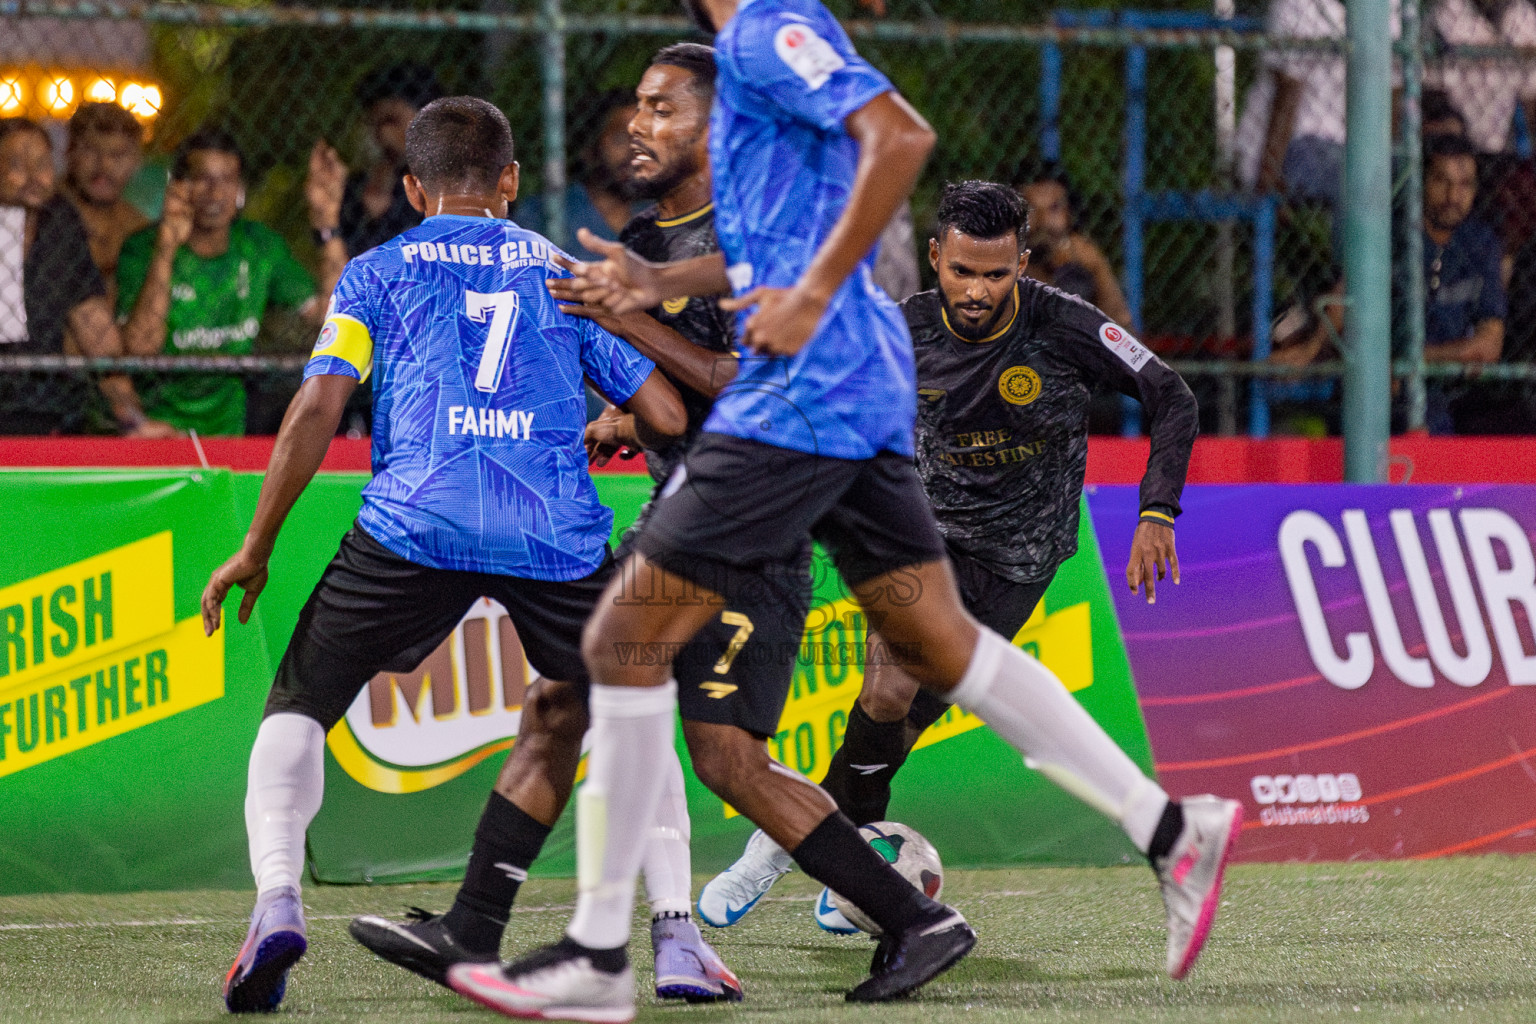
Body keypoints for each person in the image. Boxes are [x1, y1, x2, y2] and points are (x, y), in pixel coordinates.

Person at [447, 2, 1241, 1020]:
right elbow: (787, 236)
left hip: (807, 391)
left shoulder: (766, 29)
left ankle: (602, 955)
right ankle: (1169, 828)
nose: (647, 115)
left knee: (622, 641)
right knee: (941, 642)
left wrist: (815, 291)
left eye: (658, 105)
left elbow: (903, 137)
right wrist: (663, 276)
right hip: (859, 384)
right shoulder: (764, 49)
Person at [199, 95, 695, 1014]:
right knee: (630, 713)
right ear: (509, 182)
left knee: (299, 705)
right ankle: (678, 935)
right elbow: (667, 415)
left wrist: (256, 546)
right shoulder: (560, 273)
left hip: (413, 523)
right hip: (553, 532)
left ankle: (276, 901)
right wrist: (616, 414)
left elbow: (316, 406)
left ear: (414, 187)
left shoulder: (374, 272)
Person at [346, 45, 779, 1006]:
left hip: (756, 501)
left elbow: (729, 390)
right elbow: (665, 406)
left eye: (660, 108)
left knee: (695, 737)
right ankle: (558, 933)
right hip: (675, 504)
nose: (637, 124)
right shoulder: (619, 241)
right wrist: (620, 394)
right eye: (637, 107)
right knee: (588, 706)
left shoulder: (759, 237)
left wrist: (624, 320)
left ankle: (671, 934)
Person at [700, 178, 1199, 932]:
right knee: (888, 686)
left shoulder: (1063, 325)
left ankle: (805, 851)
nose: (977, 290)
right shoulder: (896, 329)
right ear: (935, 257)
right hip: (923, 538)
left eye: (997, 274)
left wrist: (1157, 511)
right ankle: (813, 862)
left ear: (1023, 264)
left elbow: (1173, 396)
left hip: (1020, 564)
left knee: (896, 728)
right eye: (962, 271)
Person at [117, 128, 345, 436]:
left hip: (229, 431)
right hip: (155, 428)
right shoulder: (142, 248)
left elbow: (335, 318)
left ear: (240, 191)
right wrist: (167, 247)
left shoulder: (259, 248)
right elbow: (142, 348)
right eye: (202, 179)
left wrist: (326, 222)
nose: (215, 192)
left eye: (227, 180)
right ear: (180, 187)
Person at [0, 117, 166, 436]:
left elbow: (95, 329)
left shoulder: (59, 223)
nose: (34, 176)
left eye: (43, 163)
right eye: (17, 164)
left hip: (48, 414)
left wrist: (134, 418)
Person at [305, 63, 440, 259]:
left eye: (392, 121)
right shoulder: (352, 189)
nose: (382, 134)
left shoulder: (456, 187)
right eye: (374, 124)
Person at [517, 91, 640, 260]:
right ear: (589, 150)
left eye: (643, 138)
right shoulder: (544, 214)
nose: (635, 150)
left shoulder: (661, 213)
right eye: (619, 139)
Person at [1017, 166, 1133, 329]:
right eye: (1032, 209)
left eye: (1054, 208)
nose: (1043, 220)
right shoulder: (1002, 255)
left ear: (1070, 213)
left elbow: (1120, 320)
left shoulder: (1083, 254)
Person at [62, 102, 150, 307]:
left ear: (136, 161)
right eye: (91, 151)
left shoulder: (138, 227)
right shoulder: (43, 217)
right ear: (70, 152)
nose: (104, 166)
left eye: (117, 155)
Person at [1430, 0, 1536, 157]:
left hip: (1505, 137)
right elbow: (1434, 85)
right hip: (1455, 130)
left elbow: (1530, 93)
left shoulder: (1521, 13)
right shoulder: (1449, 8)